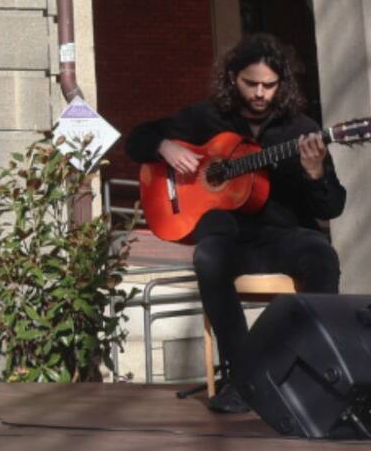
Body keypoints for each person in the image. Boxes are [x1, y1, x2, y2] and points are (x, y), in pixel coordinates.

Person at [126, 33, 346, 413]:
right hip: (231, 240)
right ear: (232, 78)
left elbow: (332, 207)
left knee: (322, 255)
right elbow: (137, 139)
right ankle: (244, 378)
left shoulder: (300, 128)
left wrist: (315, 173)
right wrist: (165, 146)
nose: (260, 93)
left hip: (283, 238)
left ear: (282, 84)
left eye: (269, 85)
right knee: (209, 255)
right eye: (251, 83)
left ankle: (307, 371)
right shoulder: (205, 119)